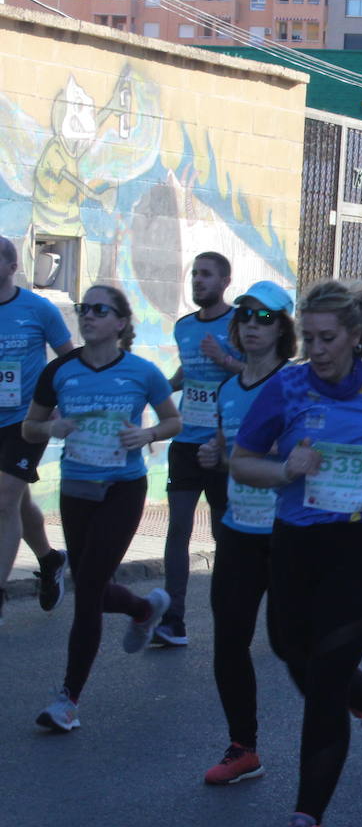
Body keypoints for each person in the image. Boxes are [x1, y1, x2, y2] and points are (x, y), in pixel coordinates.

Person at [231, 279, 362, 827]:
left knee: (322, 682)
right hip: (297, 542)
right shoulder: (286, 388)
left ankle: (305, 824)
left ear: (355, 336)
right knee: (290, 649)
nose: (314, 348)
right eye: (308, 337)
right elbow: (242, 463)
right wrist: (285, 468)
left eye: (326, 338)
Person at [26, 285, 182, 732]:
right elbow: (30, 427)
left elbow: (173, 419)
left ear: (120, 323)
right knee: (89, 581)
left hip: (122, 489)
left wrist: (149, 435)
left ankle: (67, 700)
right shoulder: (61, 371)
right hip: (76, 489)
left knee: (89, 588)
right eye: (83, 308)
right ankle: (142, 609)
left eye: (99, 309)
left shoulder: (142, 372)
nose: (87, 315)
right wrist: (52, 425)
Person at [199, 281, 295, 785]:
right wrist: (213, 455)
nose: (252, 326)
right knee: (228, 640)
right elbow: (225, 447)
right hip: (237, 532)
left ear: (283, 329)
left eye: (264, 318)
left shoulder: (296, 386)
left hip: (287, 533)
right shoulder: (227, 389)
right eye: (245, 318)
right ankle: (244, 748)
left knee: (289, 645)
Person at [157, 251, 243, 647]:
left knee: (225, 533)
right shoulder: (184, 327)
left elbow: (260, 373)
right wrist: (159, 389)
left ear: (225, 281)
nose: (198, 281)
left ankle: (231, 612)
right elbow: (187, 372)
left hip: (225, 443)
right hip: (188, 440)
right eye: (194, 274)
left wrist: (223, 359)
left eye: (206, 275)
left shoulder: (240, 324)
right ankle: (174, 618)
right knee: (178, 528)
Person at [0, 235, 73, 624]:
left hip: (26, 422)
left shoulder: (38, 309)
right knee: (16, 499)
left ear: (12, 268)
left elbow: (69, 358)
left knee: (4, 500)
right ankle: (48, 560)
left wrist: (63, 405)